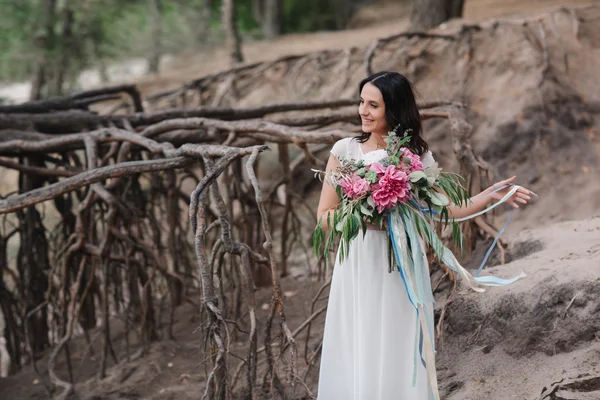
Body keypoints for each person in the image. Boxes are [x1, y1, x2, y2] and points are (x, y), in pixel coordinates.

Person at [315, 71, 532, 399]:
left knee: (397, 335)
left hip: (402, 258)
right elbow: (325, 216)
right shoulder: (344, 151)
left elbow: (445, 207)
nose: (363, 110)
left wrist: (492, 195)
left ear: (395, 109)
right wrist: (364, 211)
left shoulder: (416, 156)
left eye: (373, 104)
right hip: (362, 258)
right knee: (362, 335)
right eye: (361, 102)